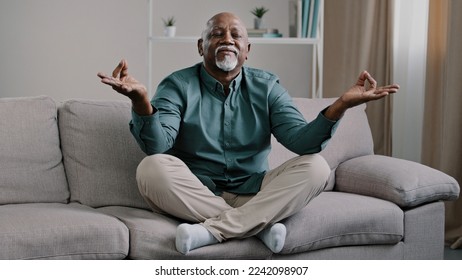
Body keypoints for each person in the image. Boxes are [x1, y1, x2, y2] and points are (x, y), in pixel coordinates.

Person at [97, 12, 399, 255]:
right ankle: (261, 226)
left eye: (235, 35)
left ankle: (212, 231)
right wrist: (140, 101)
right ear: (201, 46)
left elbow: (302, 142)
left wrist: (341, 105)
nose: (226, 39)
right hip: (197, 192)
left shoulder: (267, 86)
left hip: (256, 190)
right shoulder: (177, 85)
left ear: (247, 50)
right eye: (216, 33)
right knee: (151, 168)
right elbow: (158, 146)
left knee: (317, 167)